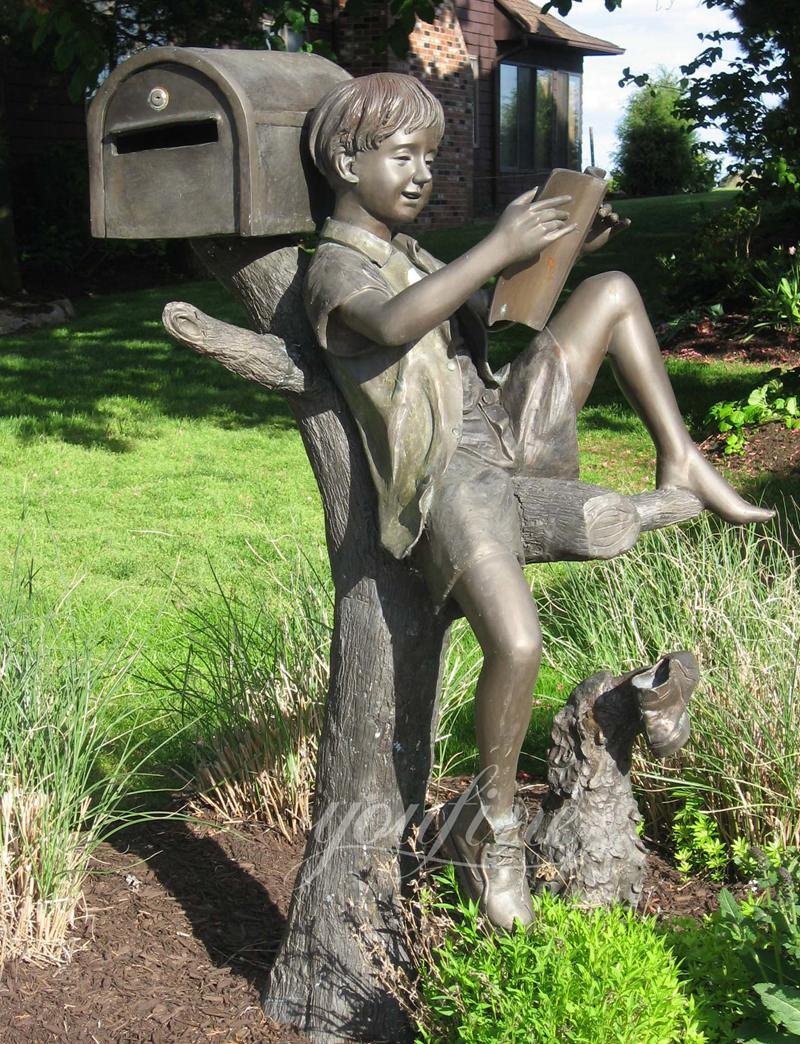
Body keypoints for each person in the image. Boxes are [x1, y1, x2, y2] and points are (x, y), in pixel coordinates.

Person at [304, 71, 772, 930]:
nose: (420, 175)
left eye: (429, 159)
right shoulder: (333, 268)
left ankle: (683, 462)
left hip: (506, 433)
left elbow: (476, 317)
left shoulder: (407, 252)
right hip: (451, 477)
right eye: (401, 156)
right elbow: (398, 323)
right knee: (518, 647)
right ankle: (494, 827)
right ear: (343, 159)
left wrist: (555, 252)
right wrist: (496, 244)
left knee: (615, 293)